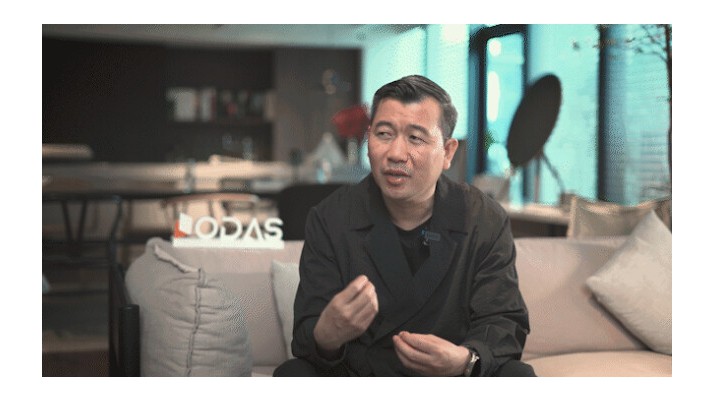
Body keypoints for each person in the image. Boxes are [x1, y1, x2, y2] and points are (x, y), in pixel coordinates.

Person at [273, 75, 534, 377]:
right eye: (384, 134)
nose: (396, 154)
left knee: (518, 375)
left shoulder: (483, 219)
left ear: (448, 152)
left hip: (448, 381)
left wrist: (464, 360)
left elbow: (503, 321)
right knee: (292, 373)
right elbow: (306, 337)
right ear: (368, 140)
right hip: (360, 379)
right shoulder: (331, 218)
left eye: (415, 138)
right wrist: (327, 333)